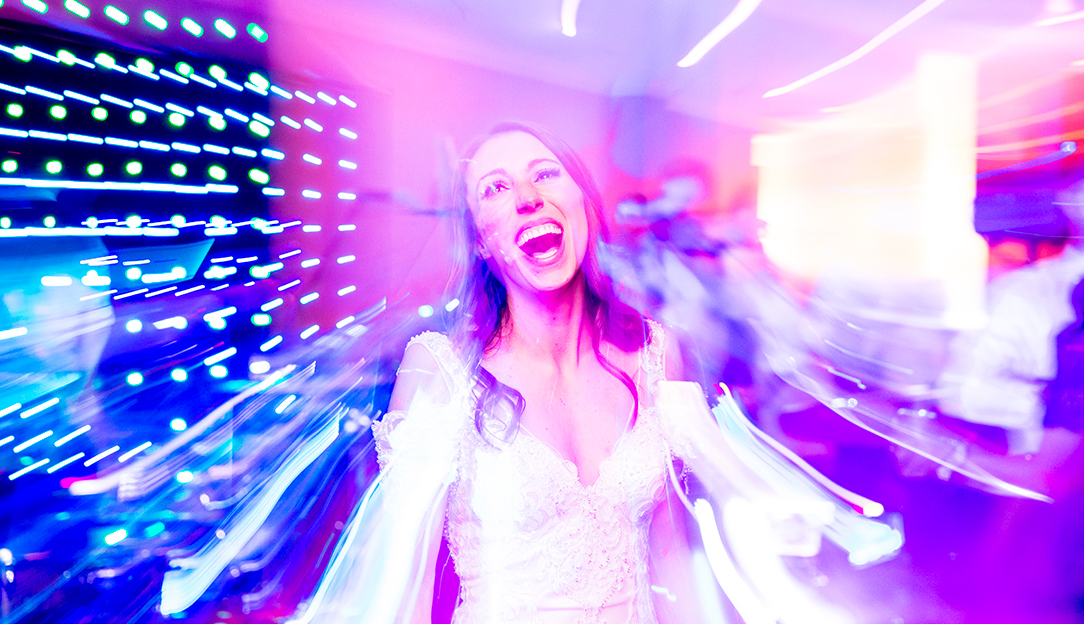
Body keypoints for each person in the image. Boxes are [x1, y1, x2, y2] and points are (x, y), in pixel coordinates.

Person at [294, 122, 902, 624]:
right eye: (495, 188)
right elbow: (403, 580)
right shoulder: (441, 370)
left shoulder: (657, 354)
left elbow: (670, 552)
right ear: (480, 241)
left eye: (545, 173)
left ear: (583, 203)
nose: (527, 196)